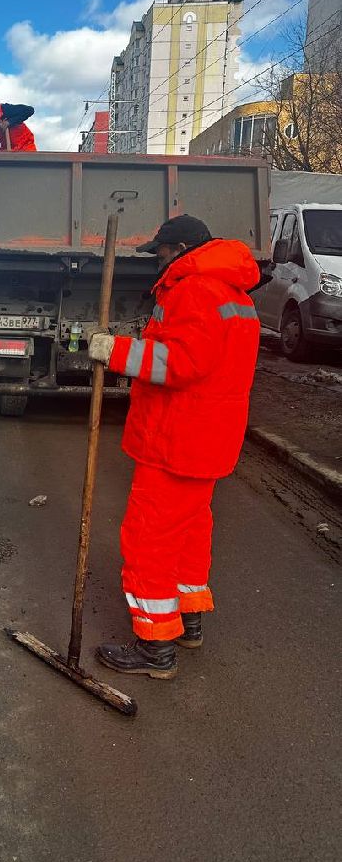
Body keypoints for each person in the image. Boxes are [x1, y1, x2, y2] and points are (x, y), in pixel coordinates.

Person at [87, 215, 260, 679]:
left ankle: (154, 646)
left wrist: (114, 351)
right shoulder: (235, 295)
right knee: (189, 532)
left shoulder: (194, 290)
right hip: (209, 440)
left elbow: (179, 362)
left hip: (177, 439)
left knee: (149, 538)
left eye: (160, 253)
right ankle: (188, 621)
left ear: (179, 248)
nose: (156, 262)